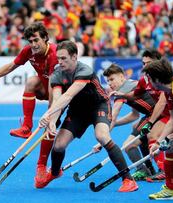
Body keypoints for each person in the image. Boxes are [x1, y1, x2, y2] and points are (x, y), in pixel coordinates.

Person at [37, 40, 138, 192]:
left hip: (98, 106)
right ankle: (55, 172)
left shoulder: (84, 70)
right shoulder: (57, 74)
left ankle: (128, 180)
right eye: (58, 58)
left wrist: (47, 113)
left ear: (74, 57)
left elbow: (68, 95)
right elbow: (58, 99)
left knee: (102, 136)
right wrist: (52, 121)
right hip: (77, 111)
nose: (60, 62)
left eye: (64, 58)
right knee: (58, 145)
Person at [0, 22, 59, 187]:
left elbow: (54, 87)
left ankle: (41, 168)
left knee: (50, 125)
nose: (33, 44)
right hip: (46, 87)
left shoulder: (53, 54)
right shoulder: (29, 51)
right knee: (31, 81)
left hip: (62, 92)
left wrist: (50, 113)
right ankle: (26, 127)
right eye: (30, 41)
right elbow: (11, 66)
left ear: (46, 38)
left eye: (36, 40)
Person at [109, 49, 167, 182]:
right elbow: (134, 110)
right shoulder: (143, 80)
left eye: (149, 63)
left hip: (164, 113)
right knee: (136, 136)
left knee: (149, 136)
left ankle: (161, 169)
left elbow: (162, 102)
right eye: (143, 63)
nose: (145, 66)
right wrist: (122, 95)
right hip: (155, 114)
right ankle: (150, 169)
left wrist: (150, 122)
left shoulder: (164, 78)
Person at [103, 64, 157, 181]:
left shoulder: (123, 90)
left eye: (112, 79)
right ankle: (148, 169)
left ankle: (143, 170)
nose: (110, 84)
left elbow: (114, 113)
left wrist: (104, 135)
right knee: (137, 131)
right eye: (107, 81)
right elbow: (134, 115)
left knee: (129, 145)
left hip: (156, 115)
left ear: (122, 77)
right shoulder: (129, 85)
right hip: (151, 114)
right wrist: (114, 124)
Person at [143, 58, 173, 200]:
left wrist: (170, 137)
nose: (148, 82)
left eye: (149, 78)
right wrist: (159, 141)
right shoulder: (169, 91)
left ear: (157, 79)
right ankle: (171, 189)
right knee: (170, 148)